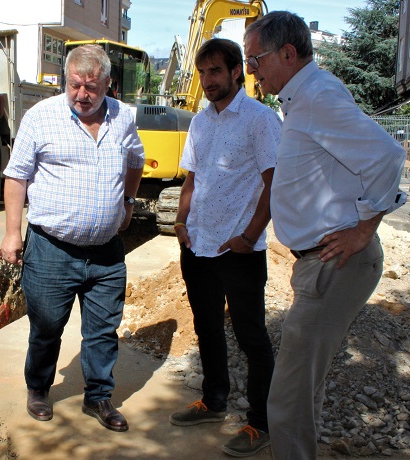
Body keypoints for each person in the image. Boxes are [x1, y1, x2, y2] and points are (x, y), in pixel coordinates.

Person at [243, 12, 406, 460]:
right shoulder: (302, 98)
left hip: (335, 262)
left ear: (288, 53)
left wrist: (364, 227)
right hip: (319, 263)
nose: (251, 72)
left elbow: (388, 156)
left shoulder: (315, 97)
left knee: (288, 398)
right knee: (302, 390)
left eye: (255, 61)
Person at [0, 44, 145, 432]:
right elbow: (16, 176)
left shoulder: (124, 118)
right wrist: (13, 232)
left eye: (91, 87)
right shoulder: (40, 118)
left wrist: (128, 203)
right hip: (51, 249)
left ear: (108, 85)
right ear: (66, 80)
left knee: (102, 330)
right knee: (46, 326)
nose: (82, 94)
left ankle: (99, 396)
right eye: (74, 85)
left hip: (107, 254)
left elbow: (136, 160)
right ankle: (39, 388)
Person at [169, 38, 280, 457]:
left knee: (252, 337)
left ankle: (260, 423)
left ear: (238, 71)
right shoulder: (200, 122)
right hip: (197, 245)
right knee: (207, 327)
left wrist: (249, 236)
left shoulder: (260, 120)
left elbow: (274, 184)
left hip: (239, 251)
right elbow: (192, 179)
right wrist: (181, 223)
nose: (207, 80)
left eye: (215, 71)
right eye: (202, 73)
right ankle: (213, 401)